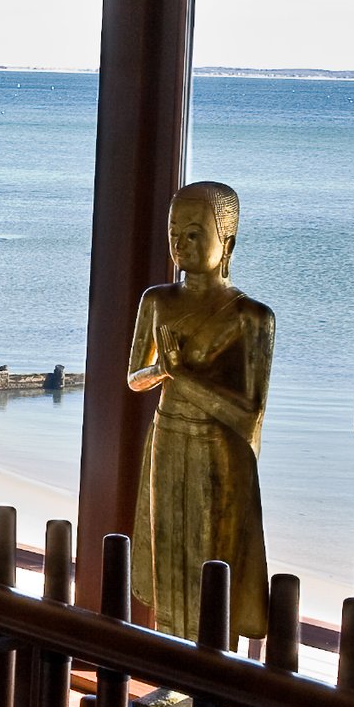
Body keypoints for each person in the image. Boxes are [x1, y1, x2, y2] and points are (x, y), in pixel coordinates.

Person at [128, 181, 275, 641]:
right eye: (174, 233)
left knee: (214, 559)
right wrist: (161, 370)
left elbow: (248, 412)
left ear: (226, 242)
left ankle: (212, 666)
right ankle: (174, 668)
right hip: (167, 440)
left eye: (194, 234)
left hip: (217, 454)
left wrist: (181, 376)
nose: (180, 244)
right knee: (168, 554)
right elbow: (134, 378)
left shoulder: (250, 317)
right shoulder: (158, 301)